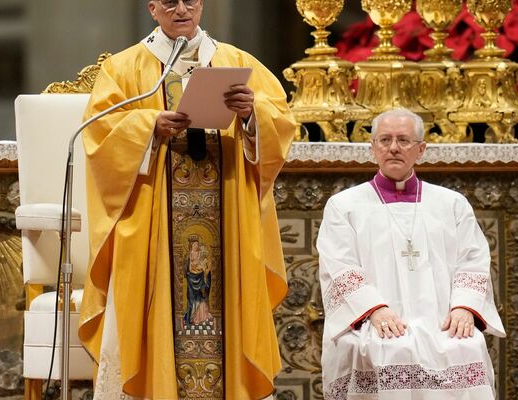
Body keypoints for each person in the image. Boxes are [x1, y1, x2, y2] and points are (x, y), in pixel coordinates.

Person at [77, 0, 296, 398]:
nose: (181, 9)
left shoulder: (237, 61)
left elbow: (280, 121)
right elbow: (99, 137)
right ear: (152, 8)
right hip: (153, 220)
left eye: (190, 0)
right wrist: (149, 126)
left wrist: (251, 115)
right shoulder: (124, 69)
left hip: (227, 207)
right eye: (169, 2)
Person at [317, 108, 505, 399]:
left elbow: (473, 260)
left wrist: (464, 307)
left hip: (442, 321)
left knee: (467, 346)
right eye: (385, 140)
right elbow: (339, 265)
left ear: (421, 149)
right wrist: (373, 309)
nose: (393, 147)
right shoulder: (344, 205)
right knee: (388, 348)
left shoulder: (451, 204)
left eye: (403, 140)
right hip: (375, 320)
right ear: (373, 148)